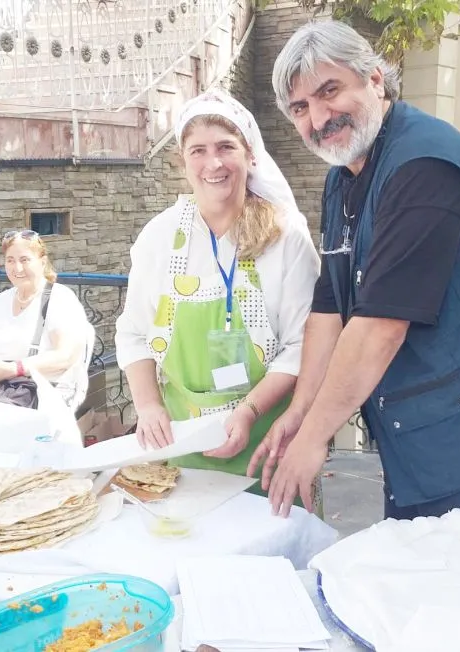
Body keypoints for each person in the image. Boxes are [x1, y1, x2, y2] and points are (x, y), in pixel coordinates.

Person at [249, 21, 460, 521]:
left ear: (376, 80)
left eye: (330, 90)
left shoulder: (423, 167)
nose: (319, 117)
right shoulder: (343, 178)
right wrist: (299, 413)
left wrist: (315, 438)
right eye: (300, 108)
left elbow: (380, 326)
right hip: (434, 426)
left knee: (453, 582)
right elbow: (328, 308)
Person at [115, 88, 320, 494]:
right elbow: (133, 333)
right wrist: (149, 406)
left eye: (226, 147)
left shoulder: (285, 238)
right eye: (198, 151)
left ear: (250, 155)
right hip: (183, 443)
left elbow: (303, 345)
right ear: (182, 161)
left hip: (269, 442)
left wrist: (247, 412)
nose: (214, 163)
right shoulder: (158, 238)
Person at [0, 230, 91, 406]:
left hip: (41, 391)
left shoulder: (59, 299)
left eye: (25, 260)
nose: (17, 268)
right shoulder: (0, 301)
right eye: (10, 261)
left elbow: (65, 355)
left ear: (42, 262)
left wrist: (12, 369)